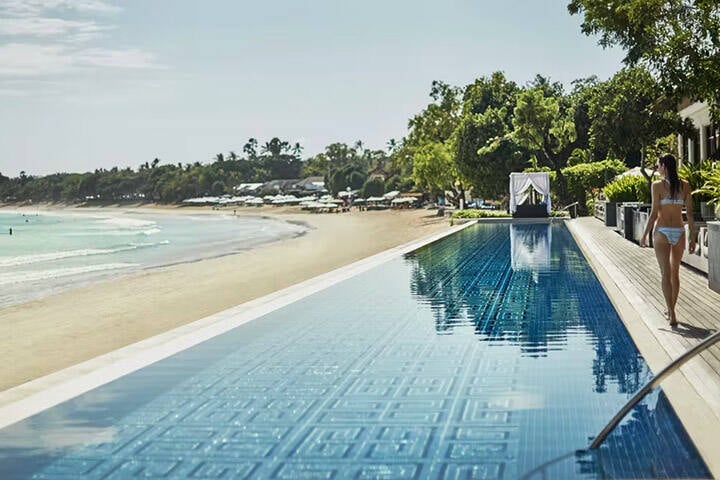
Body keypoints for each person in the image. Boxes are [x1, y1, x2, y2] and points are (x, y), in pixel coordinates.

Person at [640, 153, 696, 327]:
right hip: (679, 231)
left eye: (658, 165)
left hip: (662, 232)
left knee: (665, 273)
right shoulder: (685, 185)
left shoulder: (657, 186)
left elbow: (654, 213)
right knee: (675, 273)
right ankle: (672, 311)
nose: (657, 168)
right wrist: (693, 237)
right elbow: (691, 215)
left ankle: (671, 312)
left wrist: (644, 234)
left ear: (664, 166)